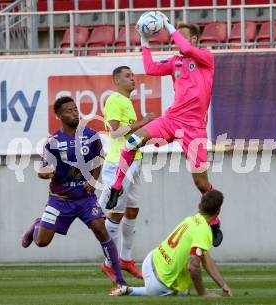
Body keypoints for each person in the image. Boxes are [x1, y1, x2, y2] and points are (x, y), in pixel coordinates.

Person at [104, 13, 223, 247]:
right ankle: (116, 187)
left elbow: (186, 49)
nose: (175, 39)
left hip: (194, 129)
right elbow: (149, 68)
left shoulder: (206, 58)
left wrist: (169, 26)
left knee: (201, 183)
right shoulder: (175, 62)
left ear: (195, 39)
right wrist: (144, 40)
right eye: (174, 35)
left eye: (182, 36)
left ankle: (215, 221)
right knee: (131, 143)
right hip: (172, 119)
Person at [21, 96, 126, 288]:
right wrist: (45, 174)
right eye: (69, 111)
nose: (75, 113)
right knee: (42, 242)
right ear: (59, 115)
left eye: (76, 109)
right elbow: (44, 169)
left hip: (85, 199)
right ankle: (38, 224)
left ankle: (120, 281)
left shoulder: (91, 135)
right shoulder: (52, 142)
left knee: (101, 230)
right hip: (59, 200)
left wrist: (93, 181)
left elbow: (98, 160)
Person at [110, 190, 232, 297]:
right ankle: (144, 290)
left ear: (199, 205)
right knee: (184, 290)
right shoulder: (203, 231)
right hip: (158, 283)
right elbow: (193, 267)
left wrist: (223, 285)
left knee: (184, 280)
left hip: (149, 261)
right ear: (218, 212)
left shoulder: (190, 220)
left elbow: (205, 258)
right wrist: (203, 294)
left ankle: (128, 290)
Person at [98, 66, 156, 280]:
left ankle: (125, 259)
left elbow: (128, 133)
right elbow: (114, 132)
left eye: (133, 76)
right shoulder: (115, 99)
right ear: (116, 80)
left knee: (132, 210)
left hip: (135, 161)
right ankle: (109, 262)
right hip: (119, 164)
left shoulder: (127, 102)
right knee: (116, 213)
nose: (133, 79)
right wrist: (143, 123)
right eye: (127, 76)